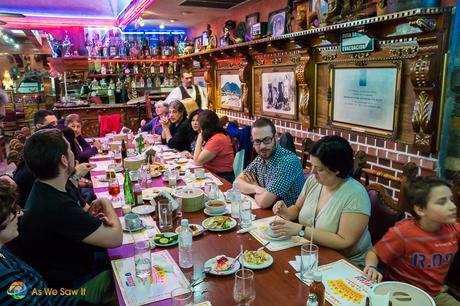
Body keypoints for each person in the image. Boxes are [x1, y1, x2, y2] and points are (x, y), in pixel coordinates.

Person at [20, 129, 122, 304]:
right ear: (63, 160)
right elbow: (116, 238)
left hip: (73, 264)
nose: (74, 153)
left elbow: (79, 218)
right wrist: (107, 203)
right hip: (68, 288)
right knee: (127, 271)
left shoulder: (46, 187)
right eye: (69, 149)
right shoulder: (56, 206)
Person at [271, 135, 372, 267]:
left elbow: (344, 241)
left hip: (347, 263)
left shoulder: (355, 194)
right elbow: (297, 208)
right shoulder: (314, 181)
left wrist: (300, 230)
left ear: (336, 169)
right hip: (313, 253)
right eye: (312, 165)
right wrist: (285, 212)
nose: (312, 171)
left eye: (319, 168)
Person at [364, 176, 459, 306]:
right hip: (400, 293)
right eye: (442, 202)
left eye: (451, 200)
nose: (453, 206)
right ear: (420, 209)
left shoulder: (453, 229)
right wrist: (371, 267)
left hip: (435, 294)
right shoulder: (403, 232)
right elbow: (374, 253)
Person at [0, 179, 93, 305]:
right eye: (12, 210)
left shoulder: (4, 251)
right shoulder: (3, 276)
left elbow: (43, 295)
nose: (20, 213)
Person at [235, 117, 305, 208]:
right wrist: (256, 188)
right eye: (257, 141)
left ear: (275, 137)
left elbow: (264, 202)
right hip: (269, 216)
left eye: (267, 140)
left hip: (289, 219)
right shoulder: (260, 159)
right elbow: (237, 183)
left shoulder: (288, 162)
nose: (262, 146)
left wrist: (253, 187)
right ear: (253, 141)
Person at [193, 110, 235, 183]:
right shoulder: (216, 135)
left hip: (222, 178)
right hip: (213, 175)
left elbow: (197, 161)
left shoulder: (217, 139)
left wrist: (200, 137)